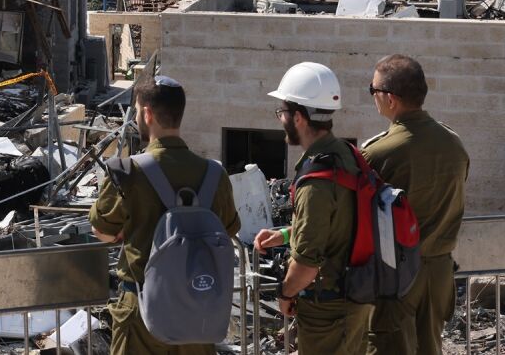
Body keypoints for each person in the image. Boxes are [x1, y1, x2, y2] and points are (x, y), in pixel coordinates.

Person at [89, 75, 241, 355]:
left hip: (143, 312)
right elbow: (228, 230)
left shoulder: (127, 172)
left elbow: (103, 231)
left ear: (147, 113)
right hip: (198, 313)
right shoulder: (214, 174)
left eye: (136, 110)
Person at [254, 62, 372, 355]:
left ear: (298, 117)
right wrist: (283, 235)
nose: (280, 119)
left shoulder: (316, 179)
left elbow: (306, 265)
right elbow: (338, 224)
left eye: (282, 112)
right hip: (352, 299)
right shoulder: (345, 153)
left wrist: (285, 293)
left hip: (328, 310)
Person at [362, 55, 468, 355]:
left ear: (391, 99)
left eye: (373, 90)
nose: (372, 96)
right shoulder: (454, 143)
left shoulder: (379, 152)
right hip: (439, 272)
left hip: (396, 273)